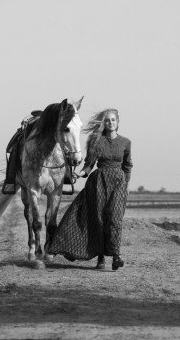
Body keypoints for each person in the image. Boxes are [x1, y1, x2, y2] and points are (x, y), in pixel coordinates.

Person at [47, 108, 133, 270]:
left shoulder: (125, 142)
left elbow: (127, 165)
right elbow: (89, 164)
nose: (110, 123)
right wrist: (80, 174)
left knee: (115, 219)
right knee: (98, 219)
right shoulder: (96, 140)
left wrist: (127, 184)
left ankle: (116, 255)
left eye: (113, 120)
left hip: (118, 183)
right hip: (99, 182)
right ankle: (101, 258)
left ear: (118, 122)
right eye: (107, 120)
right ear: (103, 123)